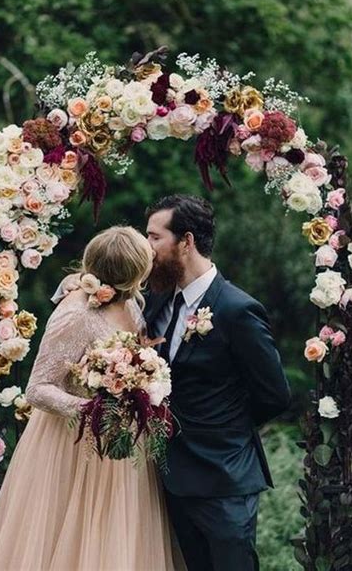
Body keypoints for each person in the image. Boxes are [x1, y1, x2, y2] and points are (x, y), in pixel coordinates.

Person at [58, 194, 291, 571]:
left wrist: (222, 429)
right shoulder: (157, 299)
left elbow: (275, 395)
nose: (145, 248)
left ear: (186, 242)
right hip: (168, 479)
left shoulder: (237, 310)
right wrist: (76, 283)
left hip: (224, 480)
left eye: (154, 237)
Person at [0, 226, 182, 571]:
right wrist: (92, 408)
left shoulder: (129, 303)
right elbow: (38, 387)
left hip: (121, 448)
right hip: (73, 446)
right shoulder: (76, 314)